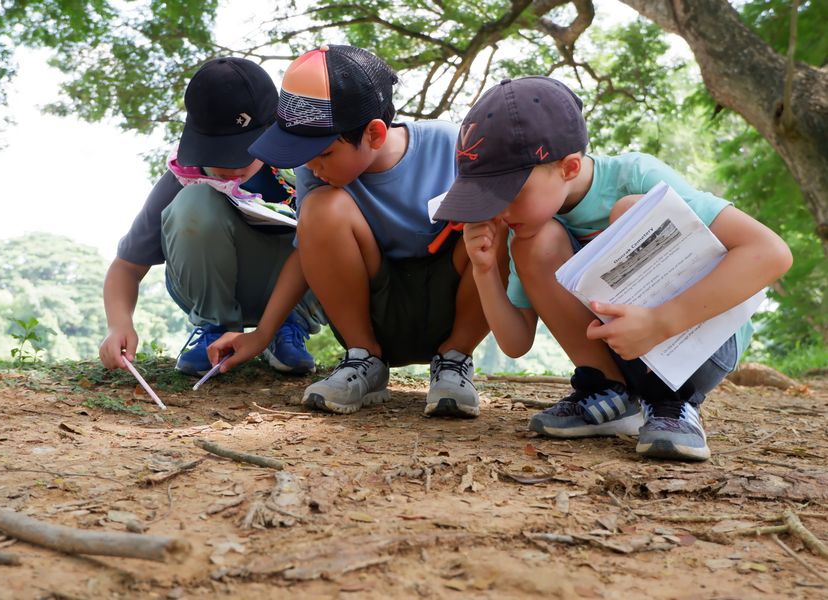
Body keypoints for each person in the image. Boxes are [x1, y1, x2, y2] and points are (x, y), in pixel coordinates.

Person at [433, 76, 792, 460]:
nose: (500, 211)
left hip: (699, 337)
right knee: (535, 241)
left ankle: (673, 403)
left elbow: (771, 252)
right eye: (489, 198)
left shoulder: (634, 176)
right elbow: (516, 342)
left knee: (630, 211)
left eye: (511, 194)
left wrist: (661, 322)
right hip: (626, 345)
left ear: (569, 167)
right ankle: (609, 393)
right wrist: (485, 270)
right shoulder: (526, 228)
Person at [207, 45, 503, 418]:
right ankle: (363, 360)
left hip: (454, 304)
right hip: (374, 314)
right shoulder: (316, 173)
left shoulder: (453, 147)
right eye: (302, 154)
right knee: (320, 208)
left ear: (375, 134)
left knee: (500, 213)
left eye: (324, 153)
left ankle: (455, 361)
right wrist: (262, 333)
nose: (312, 167)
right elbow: (307, 251)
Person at [99, 57, 325, 377]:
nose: (231, 166)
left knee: (329, 212)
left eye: (244, 150)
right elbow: (126, 267)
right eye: (219, 151)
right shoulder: (186, 176)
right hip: (217, 288)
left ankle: (289, 328)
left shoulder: (312, 164)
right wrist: (118, 325)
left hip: (296, 292)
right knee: (193, 202)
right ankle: (216, 328)